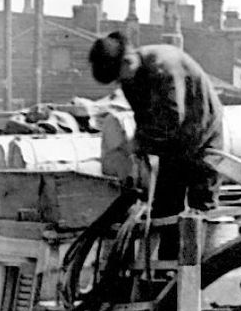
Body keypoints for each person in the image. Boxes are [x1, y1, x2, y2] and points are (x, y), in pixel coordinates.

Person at [87, 30, 224, 219]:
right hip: (174, 143)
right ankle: (169, 247)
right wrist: (139, 150)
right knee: (165, 208)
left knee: (201, 206)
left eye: (118, 77)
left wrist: (138, 144)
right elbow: (142, 118)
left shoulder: (164, 68)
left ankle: (202, 245)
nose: (119, 83)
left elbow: (172, 119)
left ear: (127, 61)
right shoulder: (130, 79)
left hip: (202, 133)